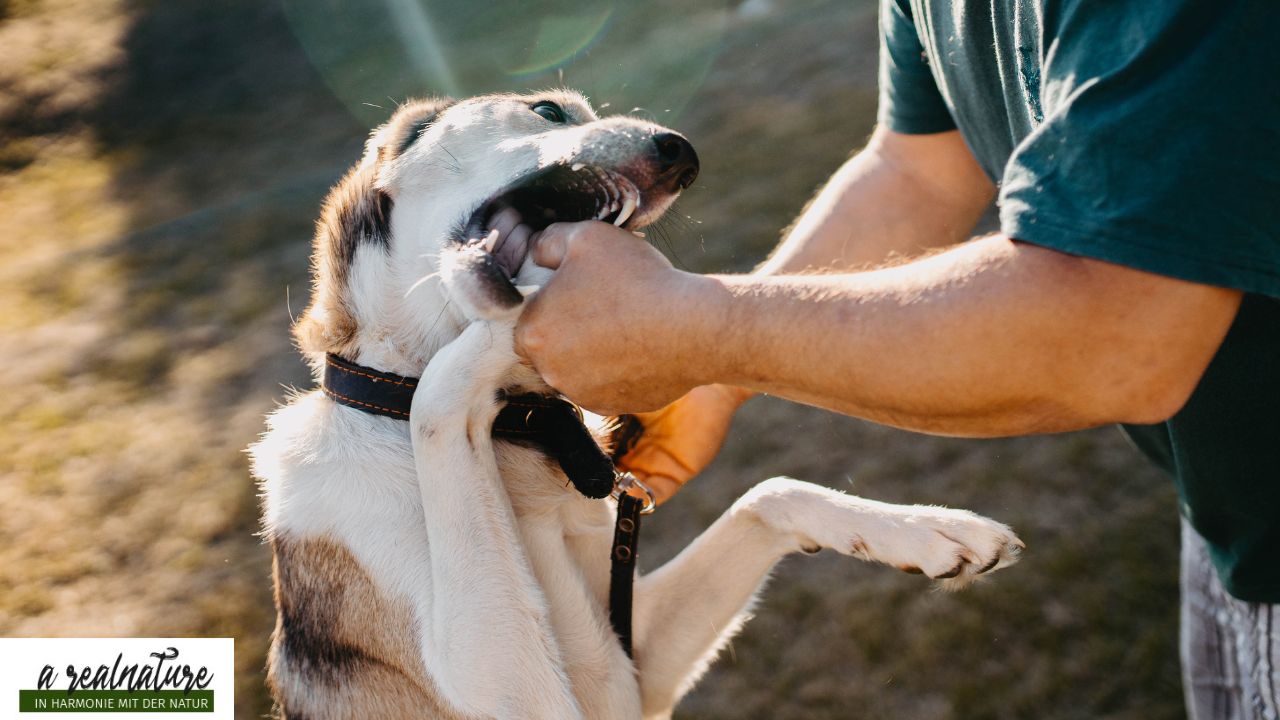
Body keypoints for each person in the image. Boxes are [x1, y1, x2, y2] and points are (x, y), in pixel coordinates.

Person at [514, 1, 1280, 717]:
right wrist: (709, 381)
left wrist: (700, 332)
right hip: (1227, 515)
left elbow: (1116, 329)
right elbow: (919, 168)